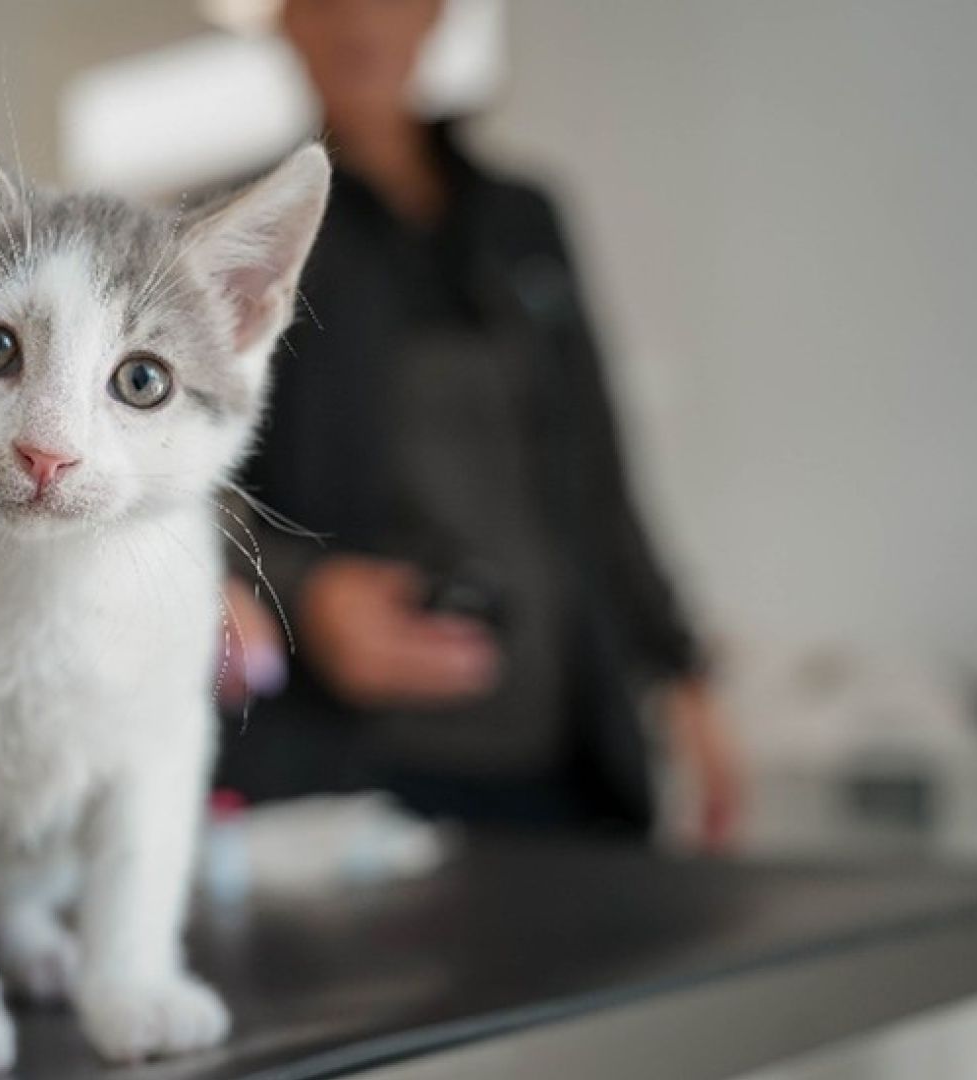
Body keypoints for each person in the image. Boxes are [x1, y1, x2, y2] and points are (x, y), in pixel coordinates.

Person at [219, 0, 741, 845]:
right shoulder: (240, 229)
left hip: (563, 758)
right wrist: (304, 597)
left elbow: (599, 470)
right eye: (324, 0)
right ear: (284, 21)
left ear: (434, 16)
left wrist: (685, 678)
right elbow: (171, 484)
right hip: (355, 777)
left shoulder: (522, 219)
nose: (358, 24)